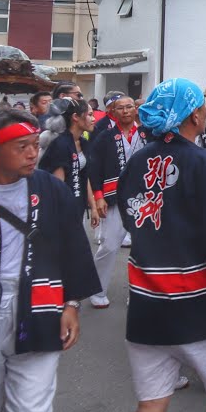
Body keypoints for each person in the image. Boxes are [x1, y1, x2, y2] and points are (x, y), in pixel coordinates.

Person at [116, 79, 206, 412]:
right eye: (203, 105)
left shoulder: (135, 163)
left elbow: (128, 219)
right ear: (194, 115)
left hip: (147, 301)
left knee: (151, 403)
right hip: (198, 301)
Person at [0, 108, 100, 412]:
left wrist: (72, 303)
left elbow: (74, 247)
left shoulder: (51, 190)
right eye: (21, 146)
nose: (32, 154)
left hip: (40, 304)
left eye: (35, 144)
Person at [84, 93, 145, 309]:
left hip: (144, 201)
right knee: (109, 246)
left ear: (135, 110)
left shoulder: (147, 135)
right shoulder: (105, 137)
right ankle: (97, 289)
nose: (126, 111)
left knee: (143, 250)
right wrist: (98, 197)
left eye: (130, 107)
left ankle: (139, 293)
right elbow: (93, 167)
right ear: (113, 112)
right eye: (121, 108)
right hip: (114, 199)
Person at [38, 98, 95, 210]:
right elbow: (58, 186)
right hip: (63, 209)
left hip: (78, 205)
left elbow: (83, 176)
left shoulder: (83, 142)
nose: (93, 119)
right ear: (75, 117)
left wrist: (93, 206)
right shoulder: (60, 145)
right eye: (90, 115)